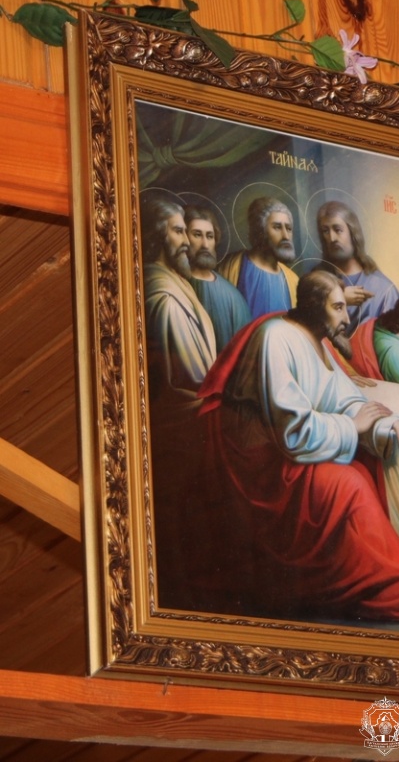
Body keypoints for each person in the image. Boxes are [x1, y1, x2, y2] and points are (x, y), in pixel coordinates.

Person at [196, 270, 399, 622]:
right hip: (263, 469)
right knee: (349, 485)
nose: (346, 318)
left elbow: (347, 400)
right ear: (313, 306)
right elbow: (292, 431)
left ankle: (377, 580)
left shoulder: (315, 341)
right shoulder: (277, 338)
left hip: (292, 453)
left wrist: (387, 424)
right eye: (338, 307)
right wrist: (352, 426)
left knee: (362, 473)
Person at [141, 198, 217, 598]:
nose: (187, 240)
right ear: (158, 237)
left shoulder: (175, 283)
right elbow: (192, 380)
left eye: (187, 230)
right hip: (182, 431)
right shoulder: (166, 298)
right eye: (178, 231)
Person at [315, 200, 399, 334]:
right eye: (325, 231)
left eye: (338, 230)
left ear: (353, 232)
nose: (332, 238)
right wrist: (340, 299)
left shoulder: (383, 288)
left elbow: (394, 339)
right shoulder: (316, 279)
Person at [183, 205, 251, 353]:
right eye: (197, 235)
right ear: (184, 238)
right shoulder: (175, 284)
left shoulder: (233, 297)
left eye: (210, 236)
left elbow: (245, 351)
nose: (205, 245)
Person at [219, 197, 299, 319]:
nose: (286, 236)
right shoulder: (232, 267)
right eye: (277, 227)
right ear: (260, 230)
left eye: (288, 229)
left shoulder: (293, 280)